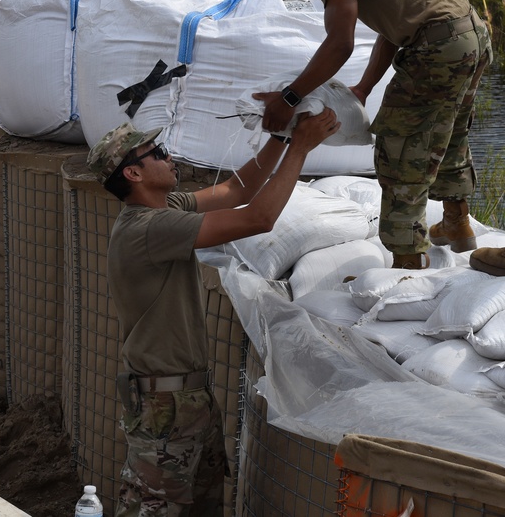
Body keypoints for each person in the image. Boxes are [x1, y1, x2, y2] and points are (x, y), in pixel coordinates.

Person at [87, 111, 338, 516]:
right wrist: (301, 148)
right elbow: (258, 217)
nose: (170, 158)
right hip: (164, 408)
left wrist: (281, 134)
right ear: (133, 173)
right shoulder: (147, 228)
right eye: (159, 152)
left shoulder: (166, 207)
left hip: (187, 400)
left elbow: (236, 189)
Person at [253, 0, 493, 272]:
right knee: (448, 133)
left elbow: (339, 44)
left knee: (401, 150)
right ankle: (457, 223)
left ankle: (408, 263)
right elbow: (390, 28)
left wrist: (290, 98)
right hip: (470, 35)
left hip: (438, 47)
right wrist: (363, 89)